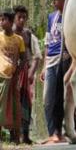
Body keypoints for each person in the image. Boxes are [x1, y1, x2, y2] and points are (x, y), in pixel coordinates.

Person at [40, 0, 71, 144]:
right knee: (47, 99)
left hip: (64, 59)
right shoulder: (51, 17)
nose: (54, 2)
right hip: (51, 60)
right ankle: (52, 132)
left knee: (63, 97)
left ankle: (63, 132)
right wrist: (45, 65)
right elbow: (47, 42)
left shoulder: (71, 16)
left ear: (65, 0)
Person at [13, 5, 42, 144]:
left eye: (24, 17)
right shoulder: (5, 34)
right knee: (12, 104)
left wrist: (31, 74)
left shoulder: (29, 35)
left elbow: (37, 56)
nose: (22, 20)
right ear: (14, 18)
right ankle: (13, 135)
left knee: (26, 105)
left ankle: (25, 135)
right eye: (19, 17)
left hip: (26, 75)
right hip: (10, 75)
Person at [0, 8, 25, 144]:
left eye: (3, 20)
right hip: (1, 77)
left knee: (15, 106)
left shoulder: (18, 40)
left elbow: (24, 58)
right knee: (1, 105)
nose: (0, 22)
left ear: (10, 22)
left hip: (13, 78)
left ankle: (15, 137)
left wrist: (17, 71)